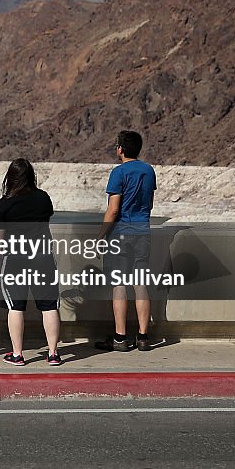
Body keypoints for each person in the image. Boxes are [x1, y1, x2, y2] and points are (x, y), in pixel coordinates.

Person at [0, 158, 61, 366]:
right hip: (43, 258)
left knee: (16, 307)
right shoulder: (43, 198)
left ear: (10, 177)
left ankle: (17, 354)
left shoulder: (6, 202)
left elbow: (0, 240)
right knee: (49, 306)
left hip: (15, 259)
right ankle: (53, 353)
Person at [95, 130, 156, 352]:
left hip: (121, 233)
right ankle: (143, 336)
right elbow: (148, 204)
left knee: (119, 284)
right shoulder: (149, 171)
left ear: (120, 149)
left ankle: (120, 338)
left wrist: (100, 236)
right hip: (143, 232)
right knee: (140, 283)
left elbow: (113, 210)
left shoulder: (118, 173)